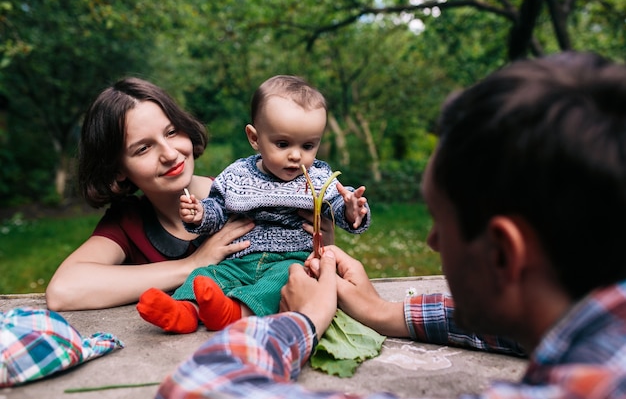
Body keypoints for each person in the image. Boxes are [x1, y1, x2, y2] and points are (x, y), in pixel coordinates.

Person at [156, 51, 626, 399]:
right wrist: (380, 312)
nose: (431, 241)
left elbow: (202, 385)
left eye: (441, 223)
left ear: (503, 253)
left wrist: (307, 317)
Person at [44, 77, 330, 312]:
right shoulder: (128, 222)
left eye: (171, 132)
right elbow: (63, 291)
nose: (170, 154)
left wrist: (324, 241)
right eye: (143, 148)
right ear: (118, 169)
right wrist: (191, 265)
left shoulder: (246, 194)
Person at [136, 75, 370, 334]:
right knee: (206, 276)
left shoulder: (317, 176)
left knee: (280, 283)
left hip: (292, 258)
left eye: (308, 145)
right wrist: (200, 214)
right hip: (240, 257)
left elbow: (335, 202)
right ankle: (184, 310)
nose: (295, 155)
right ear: (255, 138)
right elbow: (218, 209)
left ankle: (233, 313)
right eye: (282, 144)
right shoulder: (237, 175)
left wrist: (350, 210)